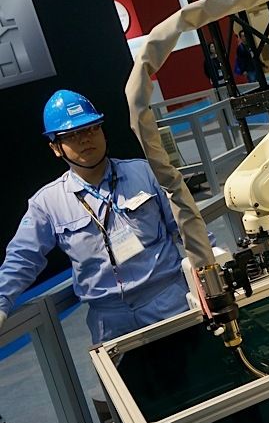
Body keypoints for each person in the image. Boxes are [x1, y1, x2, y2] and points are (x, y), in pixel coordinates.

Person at [0, 90, 190, 344]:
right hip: (111, 323)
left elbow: (186, 226)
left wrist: (212, 260)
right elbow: (22, 257)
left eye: (91, 129)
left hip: (169, 302)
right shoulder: (47, 204)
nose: (85, 139)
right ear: (55, 147)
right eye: (71, 135)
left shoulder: (145, 173)